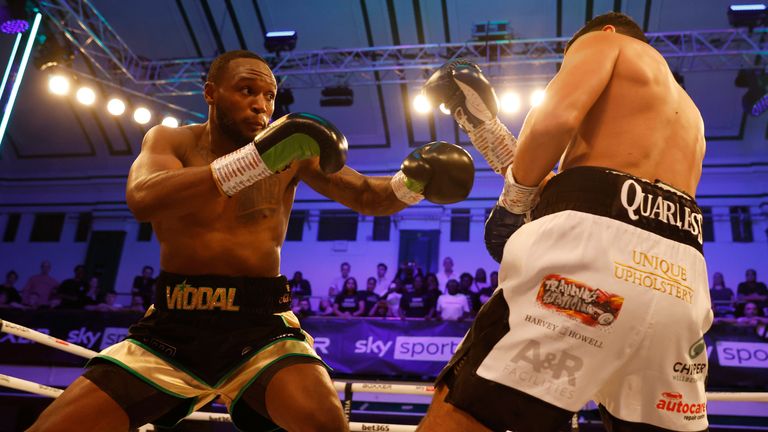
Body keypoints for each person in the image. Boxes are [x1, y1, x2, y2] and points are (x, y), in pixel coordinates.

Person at [29, 50, 474, 432]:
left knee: (324, 422)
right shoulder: (170, 140)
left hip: (261, 327)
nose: (261, 105)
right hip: (172, 325)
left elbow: (364, 195)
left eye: (269, 96)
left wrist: (413, 183)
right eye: (246, 91)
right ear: (210, 93)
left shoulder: (292, 149)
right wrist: (255, 160)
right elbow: (143, 198)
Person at [420, 12, 711, 432]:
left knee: (460, 415)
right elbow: (605, 195)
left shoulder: (606, 44)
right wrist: (490, 135)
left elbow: (555, 121)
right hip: (683, 285)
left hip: (590, 270)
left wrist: (512, 200)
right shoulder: (693, 120)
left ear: (606, 32)